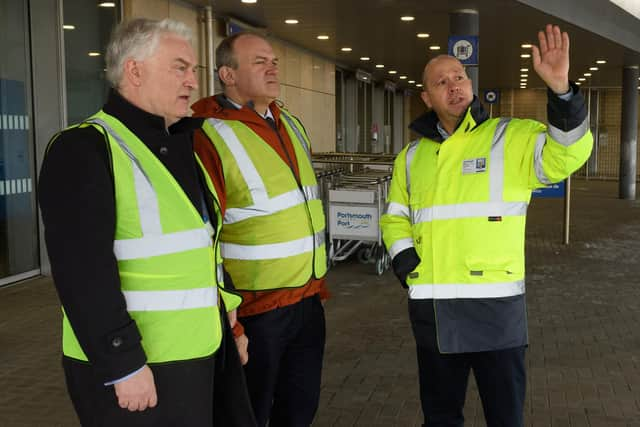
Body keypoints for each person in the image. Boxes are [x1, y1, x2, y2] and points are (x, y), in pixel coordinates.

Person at [38, 18, 253, 427]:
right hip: (140, 370)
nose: (193, 80)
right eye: (180, 67)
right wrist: (122, 364)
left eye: (194, 70)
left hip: (199, 354)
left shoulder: (180, 146)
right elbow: (82, 274)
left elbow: (202, 252)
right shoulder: (85, 147)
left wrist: (231, 324)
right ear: (134, 71)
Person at [380, 24, 593, 427]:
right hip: (435, 311)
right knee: (440, 418)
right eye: (441, 82)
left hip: (496, 311)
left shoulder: (508, 138)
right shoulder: (410, 157)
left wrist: (562, 91)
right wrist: (406, 262)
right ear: (426, 97)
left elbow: (568, 155)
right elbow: (394, 216)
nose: (454, 86)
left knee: (505, 417)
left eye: (459, 76)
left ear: (470, 82)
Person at [191, 31, 328, 427]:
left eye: (274, 62)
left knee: (299, 409)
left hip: (307, 299)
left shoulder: (292, 125)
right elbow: (205, 236)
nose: (272, 68)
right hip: (255, 312)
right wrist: (228, 316)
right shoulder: (206, 135)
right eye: (259, 62)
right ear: (227, 75)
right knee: (247, 413)